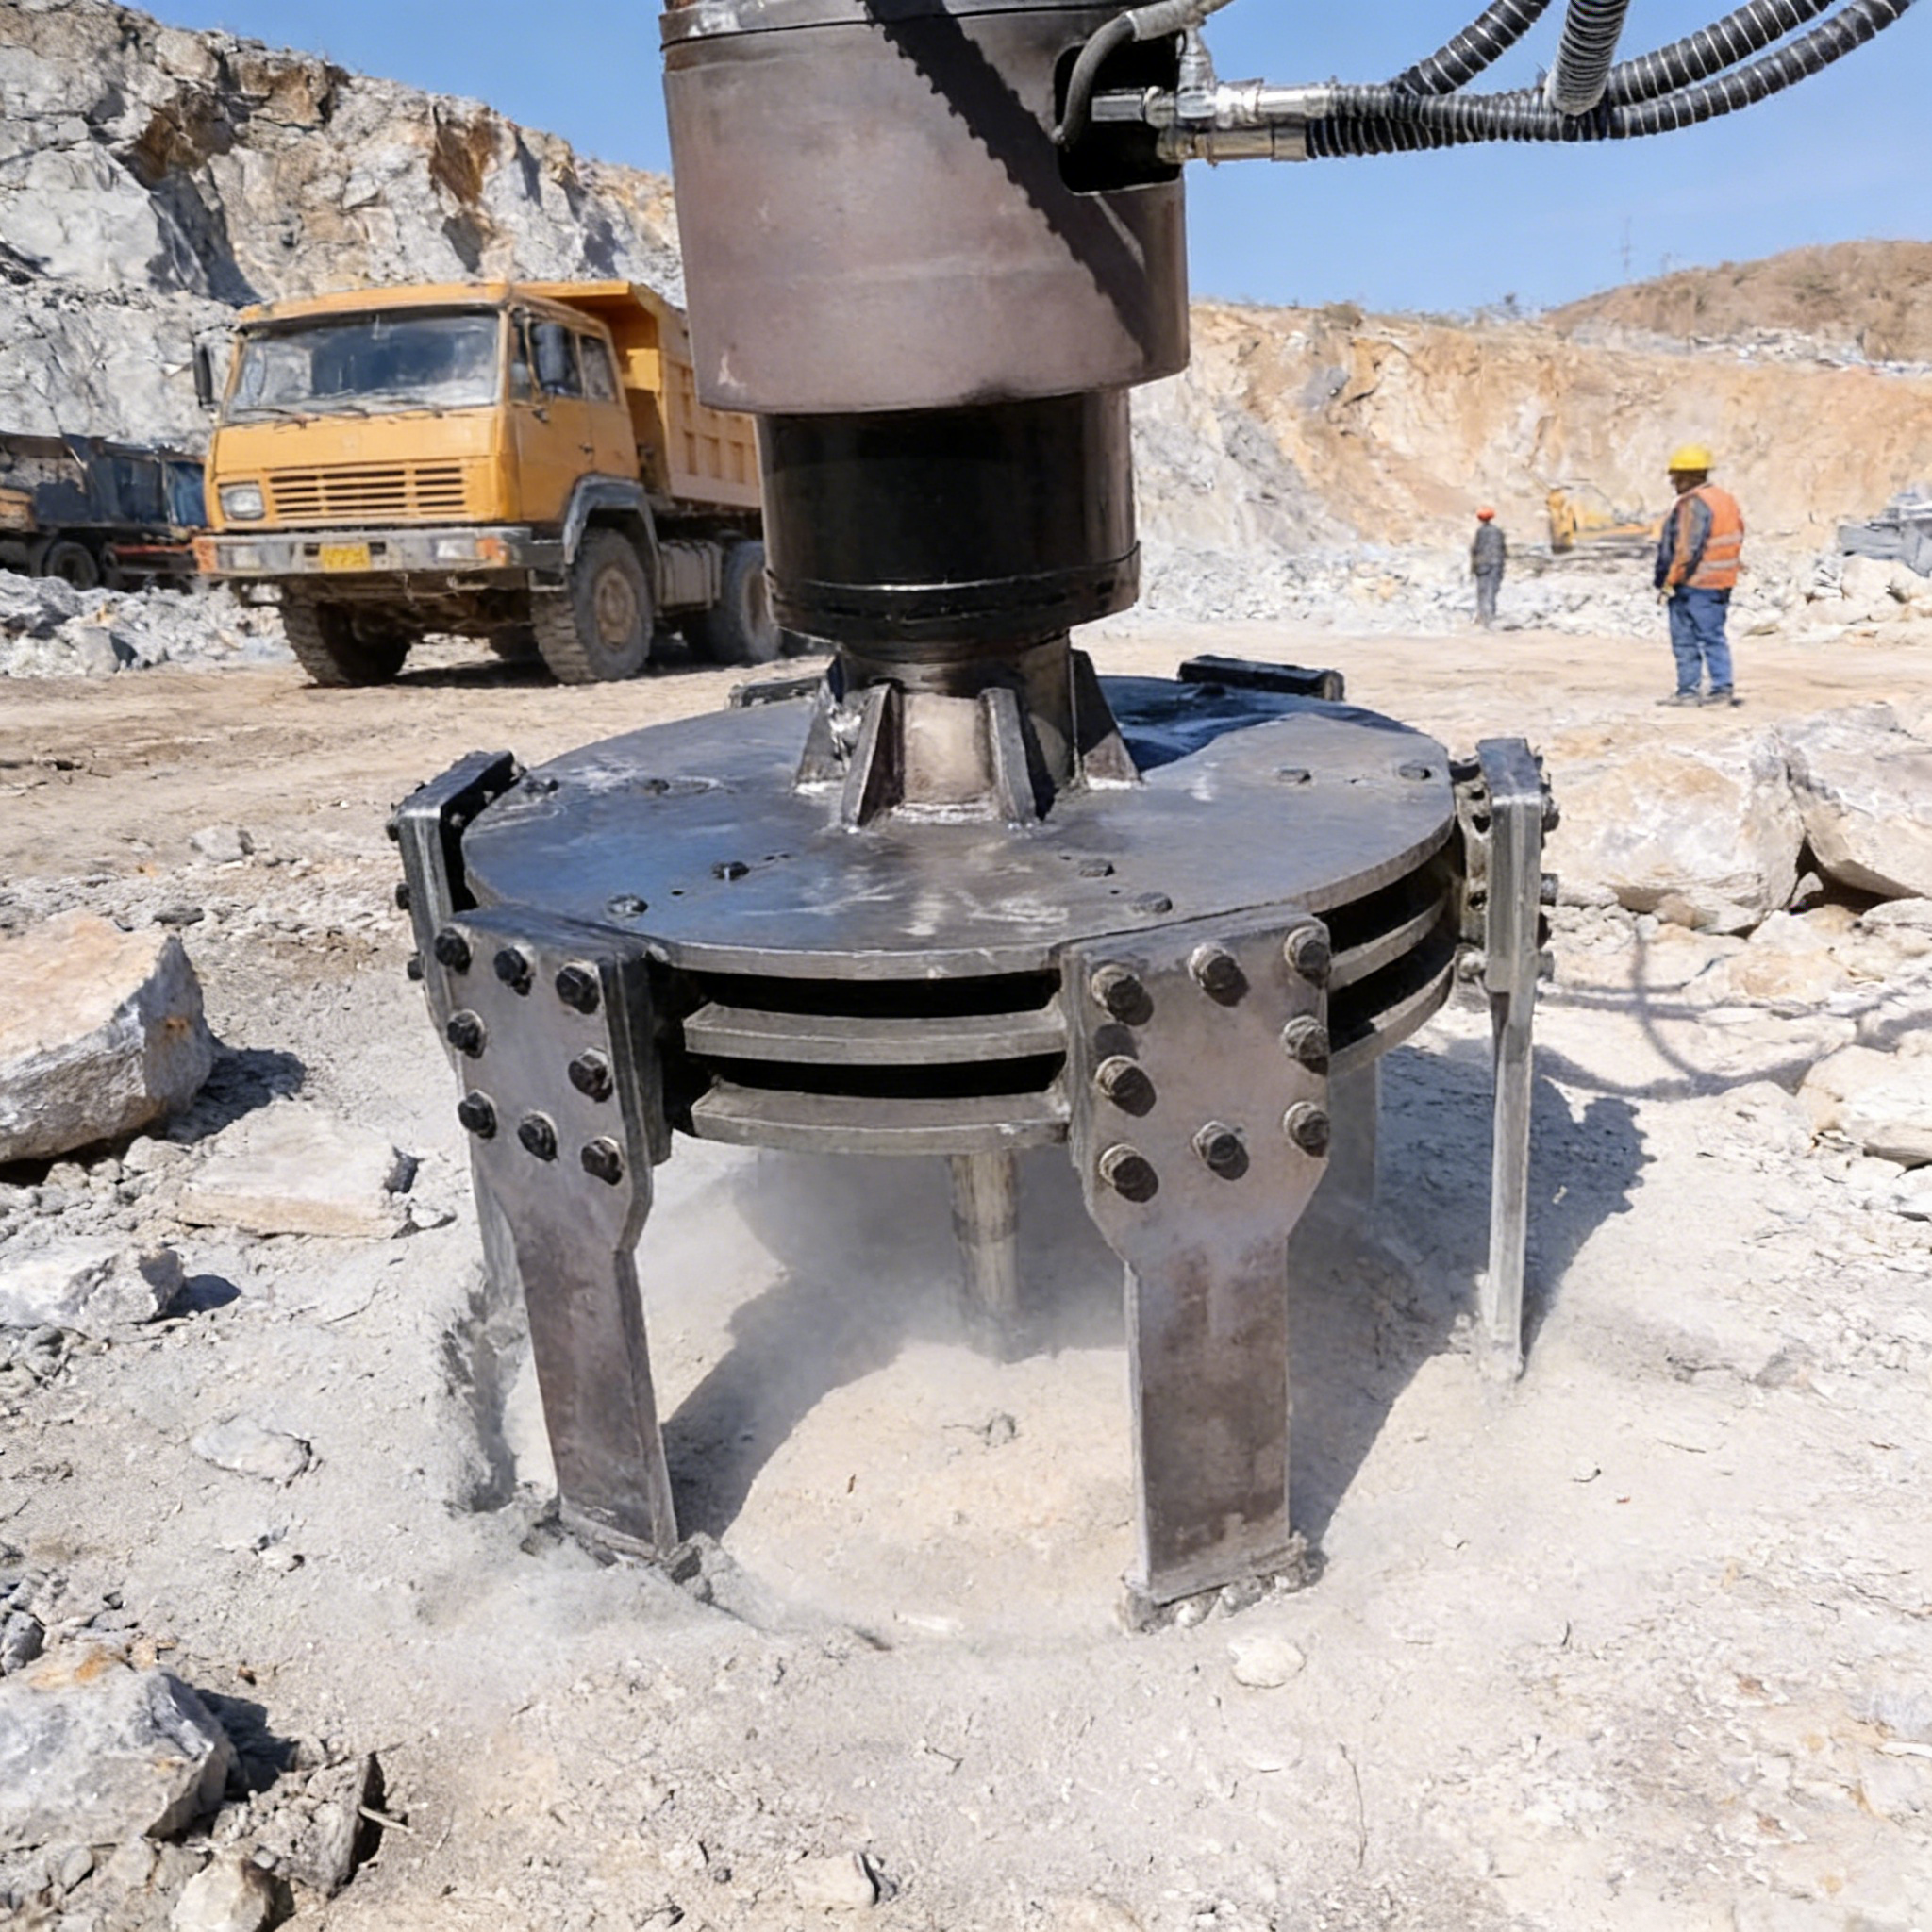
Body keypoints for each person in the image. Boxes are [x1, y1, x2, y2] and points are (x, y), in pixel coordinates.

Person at [1654, 443, 1745, 706]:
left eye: (1675, 477)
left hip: (1694, 583)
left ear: (1688, 476)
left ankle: (1691, 691)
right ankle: (1720, 688)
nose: (1673, 482)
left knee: (1687, 640)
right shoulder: (1724, 499)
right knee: (1713, 636)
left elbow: (1686, 549)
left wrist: (1669, 581)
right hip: (1720, 581)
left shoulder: (1693, 504)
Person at [1470, 506, 1506, 627]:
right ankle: (1490, 616)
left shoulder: (1481, 532)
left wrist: (1473, 568)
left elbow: (1476, 550)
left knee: (1483, 592)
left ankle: (1485, 619)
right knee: (1492, 591)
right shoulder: (1498, 531)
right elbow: (1502, 549)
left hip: (1483, 566)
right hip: (1496, 565)